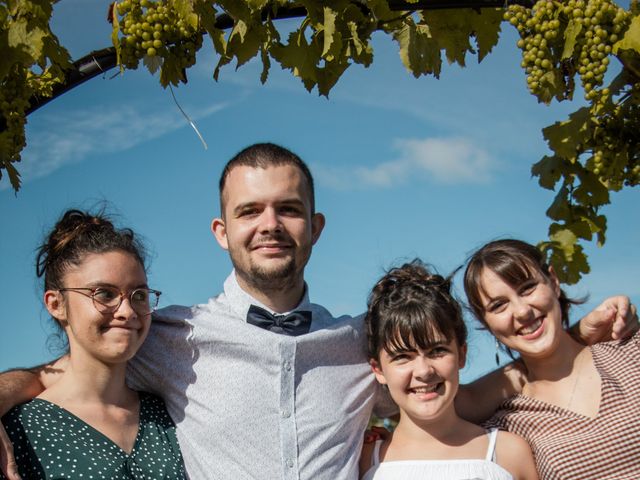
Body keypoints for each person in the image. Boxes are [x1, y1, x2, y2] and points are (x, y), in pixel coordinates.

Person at [0, 144, 636, 480]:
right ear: (222, 231)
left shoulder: (365, 344)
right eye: (250, 211)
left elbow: (449, 392)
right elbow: (60, 373)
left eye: (288, 209)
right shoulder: (166, 334)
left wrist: (569, 340)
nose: (269, 225)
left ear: (316, 226)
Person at [0, 209, 186, 479]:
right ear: (56, 304)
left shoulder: (170, 414)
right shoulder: (21, 429)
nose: (127, 311)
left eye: (139, 295)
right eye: (105, 294)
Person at [463, 239, 640, 479]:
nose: (522, 311)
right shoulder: (506, 426)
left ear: (554, 282)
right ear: (485, 323)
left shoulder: (631, 350)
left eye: (527, 288)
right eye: (499, 305)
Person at [360, 260, 538, 480]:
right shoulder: (364, 459)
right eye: (403, 357)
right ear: (378, 369)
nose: (423, 371)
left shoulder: (508, 453)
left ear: (461, 354)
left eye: (437, 351)